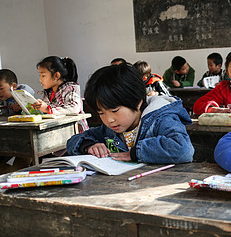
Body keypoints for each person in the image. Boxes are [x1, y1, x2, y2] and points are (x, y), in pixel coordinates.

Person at [66, 64, 194, 164]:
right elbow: (73, 141)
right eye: (101, 113)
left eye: (115, 111)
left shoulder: (161, 118)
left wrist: (135, 153)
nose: (109, 120)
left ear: (137, 102)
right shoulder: (111, 128)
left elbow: (183, 149)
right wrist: (88, 145)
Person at [34, 56, 88, 132]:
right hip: (57, 131)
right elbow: (46, 109)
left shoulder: (71, 88)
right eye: (40, 76)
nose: (40, 79)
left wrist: (48, 109)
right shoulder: (49, 92)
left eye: (43, 76)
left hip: (75, 131)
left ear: (56, 75)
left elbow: (74, 108)